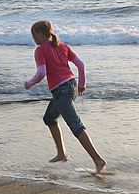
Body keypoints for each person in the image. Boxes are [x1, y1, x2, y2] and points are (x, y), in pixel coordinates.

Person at [24, 20, 108, 176]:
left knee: (76, 126)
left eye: (34, 34)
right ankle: (62, 154)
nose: (33, 38)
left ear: (41, 34)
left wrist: (29, 83)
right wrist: (82, 84)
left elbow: (41, 73)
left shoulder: (40, 50)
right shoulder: (62, 45)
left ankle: (98, 160)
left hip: (61, 91)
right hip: (71, 86)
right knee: (49, 118)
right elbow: (81, 65)